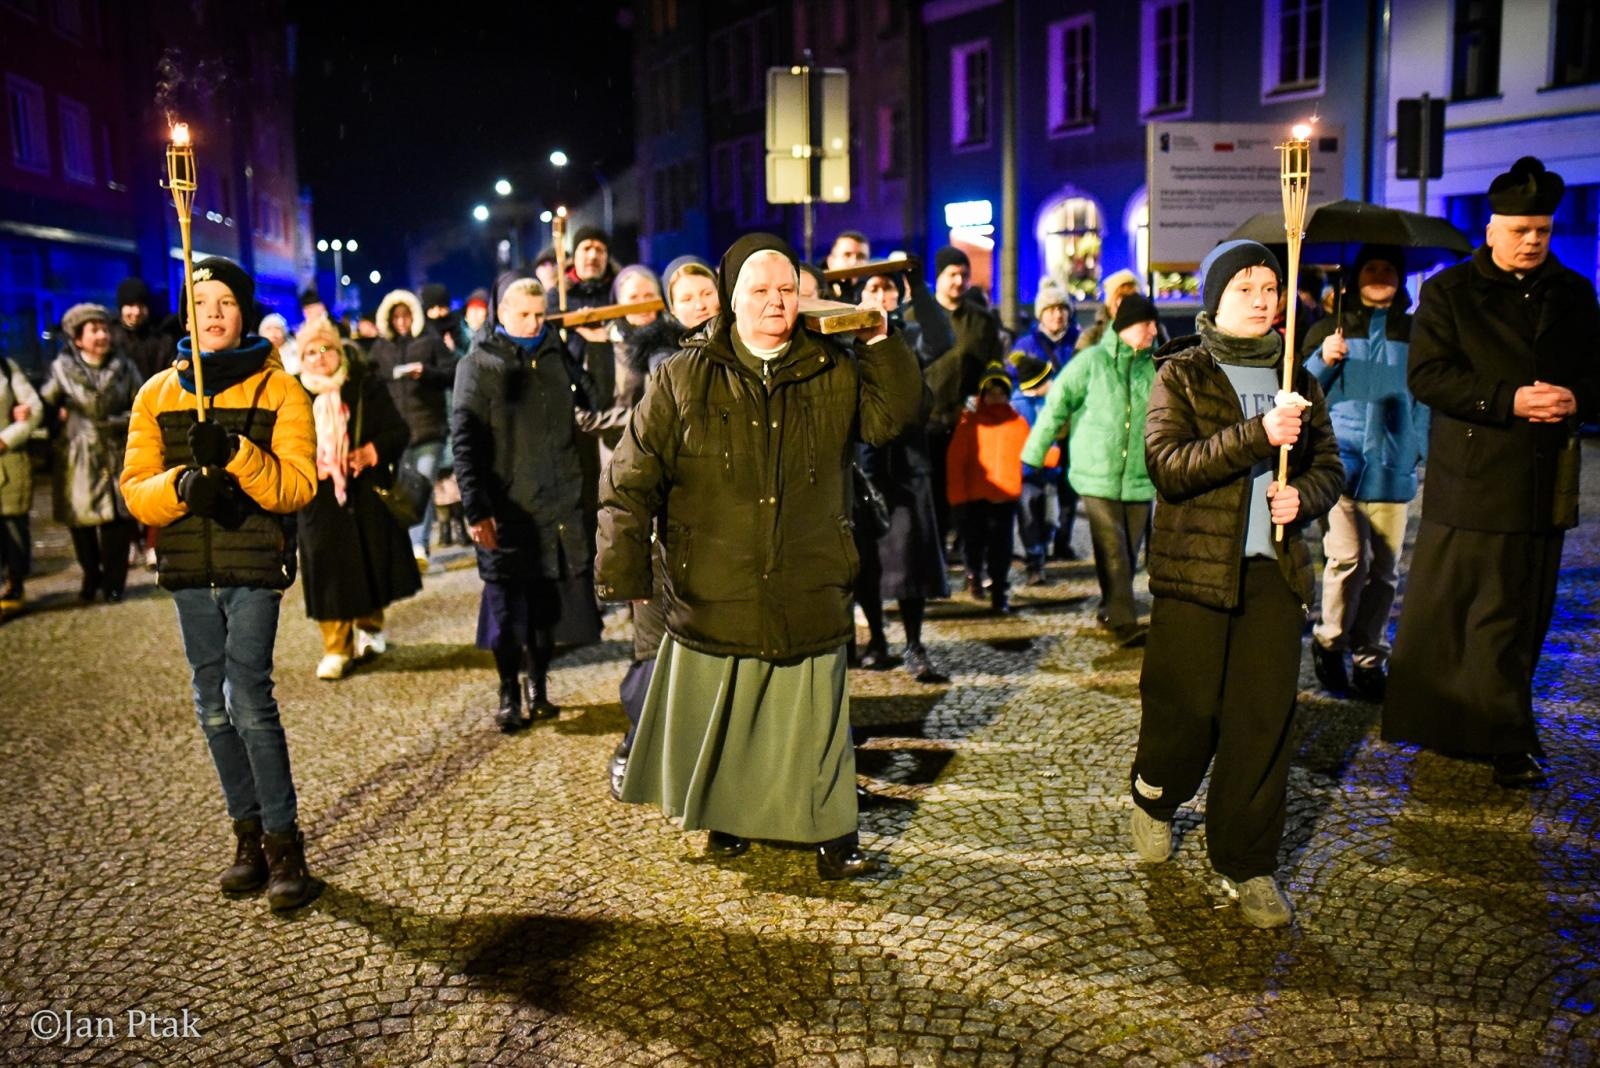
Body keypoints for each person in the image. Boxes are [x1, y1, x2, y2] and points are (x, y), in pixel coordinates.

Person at [597, 233, 921, 879]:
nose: (774, 303)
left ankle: (834, 836)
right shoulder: (681, 375)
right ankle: (726, 817)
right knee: (728, 711)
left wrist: (881, 342)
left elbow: (892, 419)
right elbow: (630, 479)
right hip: (715, 575)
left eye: (785, 290)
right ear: (730, 301)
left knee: (815, 721)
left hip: (809, 568)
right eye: (759, 291)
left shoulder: (832, 367)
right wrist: (625, 570)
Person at [1128, 240, 1343, 930]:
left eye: (1271, 287)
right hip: (1194, 576)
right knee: (1186, 710)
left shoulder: (1298, 378)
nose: (1262, 298)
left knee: (1261, 723)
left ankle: (1248, 863)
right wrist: (1258, 434)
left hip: (1273, 577)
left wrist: (1303, 498)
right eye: (1246, 287)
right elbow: (1169, 465)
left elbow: (1333, 465)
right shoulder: (1182, 373)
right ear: (1215, 298)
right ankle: (1155, 793)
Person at [1383, 157, 1600, 788]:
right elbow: (1428, 377)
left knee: (1521, 611)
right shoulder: (1449, 292)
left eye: (1543, 231)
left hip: (1542, 480)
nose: (1533, 240)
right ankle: (1467, 725)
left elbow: (1595, 374)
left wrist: (1576, 400)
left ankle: (1504, 731)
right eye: (1521, 230)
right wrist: (1508, 399)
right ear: (1491, 230)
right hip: (1472, 477)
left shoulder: (1574, 292)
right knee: (1463, 610)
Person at [119, 255, 320, 911]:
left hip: (253, 564)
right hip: (188, 570)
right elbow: (135, 492)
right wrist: (182, 485)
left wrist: (236, 453)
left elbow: (295, 486)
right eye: (202, 302)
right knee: (210, 703)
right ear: (186, 313)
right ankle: (247, 835)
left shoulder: (278, 390)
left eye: (226, 303)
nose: (214, 314)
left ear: (244, 313)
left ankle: (285, 844)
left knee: (249, 697)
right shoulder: (157, 394)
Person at [453, 275, 617, 732]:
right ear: (501, 313)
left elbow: (594, 397)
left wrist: (592, 347)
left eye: (539, 314)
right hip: (506, 508)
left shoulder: (551, 353)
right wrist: (475, 507)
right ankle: (509, 692)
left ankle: (539, 688)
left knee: (547, 609)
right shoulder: (479, 364)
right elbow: (464, 440)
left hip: (557, 502)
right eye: (523, 314)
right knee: (507, 611)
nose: (532, 323)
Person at [607, 254, 722, 799]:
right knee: (653, 647)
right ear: (672, 310)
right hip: (663, 524)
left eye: (707, 294)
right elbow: (636, 457)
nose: (700, 305)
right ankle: (635, 741)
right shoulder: (658, 364)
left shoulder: (739, 353)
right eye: (688, 299)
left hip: (719, 528)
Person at [1300, 246, 1427, 702]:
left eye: (1388, 269)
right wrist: (1322, 360)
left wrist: (1419, 450)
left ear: (1400, 279)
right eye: (1371, 268)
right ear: (1354, 278)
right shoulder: (1326, 330)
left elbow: (1425, 398)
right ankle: (1330, 640)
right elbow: (1300, 391)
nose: (1379, 276)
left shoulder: (1416, 334)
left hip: (1393, 466)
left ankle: (1371, 656)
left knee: (1386, 571)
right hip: (1339, 464)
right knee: (1348, 558)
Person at [1023, 293, 1161, 646]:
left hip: (1140, 476)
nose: (1153, 330)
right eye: (1147, 324)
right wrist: (1034, 452)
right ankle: (1123, 621)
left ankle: (1109, 606)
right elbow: (1057, 404)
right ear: (1127, 326)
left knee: (1128, 552)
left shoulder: (1156, 366)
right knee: (1113, 548)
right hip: (1095, 472)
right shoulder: (1091, 361)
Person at [293, 317, 421, 680]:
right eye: (310, 352)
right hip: (317, 496)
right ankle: (335, 646)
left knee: (367, 562)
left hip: (363, 493)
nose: (319, 358)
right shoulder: (293, 394)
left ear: (339, 352)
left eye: (326, 349)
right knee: (325, 570)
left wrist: (372, 451)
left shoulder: (364, 385)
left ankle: (370, 627)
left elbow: (399, 431)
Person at [853, 264, 955, 680]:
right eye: (873, 287)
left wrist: (920, 288)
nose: (881, 294)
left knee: (909, 559)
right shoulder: (844, 339)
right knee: (867, 562)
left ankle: (914, 644)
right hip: (864, 465)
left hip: (907, 465)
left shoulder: (908, 335)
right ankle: (877, 639)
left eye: (888, 288)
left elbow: (941, 338)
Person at [42, 303, 143, 603]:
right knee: (81, 520)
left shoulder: (124, 367)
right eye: (94, 330)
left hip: (115, 449)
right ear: (77, 339)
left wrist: (119, 422)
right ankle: (91, 575)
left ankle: (114, 583)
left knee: (118, 520)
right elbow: (45, 404)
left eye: (104, 329)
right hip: (79, 452)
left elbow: (140, 404)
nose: (102, 335)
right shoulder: (61, 369)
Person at [369, 289, 455, 571]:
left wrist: (426, 373)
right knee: (406, 489)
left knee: (423, 484)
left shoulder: (429, 341)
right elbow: (370, 382)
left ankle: (418, 545)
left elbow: (453, 370)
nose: (402, 321)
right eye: (396, 316)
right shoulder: (381, 348)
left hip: (429, 427)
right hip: (397, 432)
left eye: (406, 315)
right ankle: (411, 545)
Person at [926, 246, 1004, 550]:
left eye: (963, 274)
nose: (958, 281)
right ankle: (936, 559)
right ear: (939, 278)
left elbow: (995, 364)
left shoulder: (983, 321)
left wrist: (991, 391)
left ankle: (971, 560)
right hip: (929, 423)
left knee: (970, 497)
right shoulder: (917, 316)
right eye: (952, 274)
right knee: (934, 495)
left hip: (969, 422)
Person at [1009, 277, 1082, 572]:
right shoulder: (1025, 345)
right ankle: (1037, 547)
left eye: (1062, 308)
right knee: (1036, 491)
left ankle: (1062, 542)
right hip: (1039, 429)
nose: (1057, 314)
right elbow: (1014, 380)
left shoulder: (1079, 341)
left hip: (1073, 428)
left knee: (1069, 490)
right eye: (1050, 309)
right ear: (1040, 314)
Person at [946, 363, 1030, 614]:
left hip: (1005, 498)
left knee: (1001, 550)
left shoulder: (1017, 423)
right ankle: (974, 574)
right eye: (990, 392)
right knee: (973, 544)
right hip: (974, 499)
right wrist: (957, 498)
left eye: (1001, 392)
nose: (996, 396)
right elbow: (956, 461)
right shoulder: (969, 423)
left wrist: (1057, 455)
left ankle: (999, 593)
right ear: (982, 395)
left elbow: (1033, 450)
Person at [0, 353, 44, 621]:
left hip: (7, 460)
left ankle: (14, 587)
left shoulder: (6, 366)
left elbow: (34, 409)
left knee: (13, 526)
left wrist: (6, 439)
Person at [111, 277, 171, 381]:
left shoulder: (162, 340)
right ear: (121, 307)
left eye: (141, 305)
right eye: (130, 305)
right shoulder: (109, 338)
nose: (137, 312)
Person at [1076, 268, 1143, 353]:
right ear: (1111, 302)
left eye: (1133, 297)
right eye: (1122, 297)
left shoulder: (1153, 332)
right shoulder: (1091, 337)